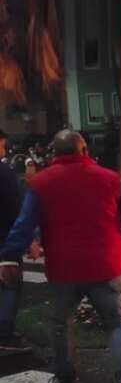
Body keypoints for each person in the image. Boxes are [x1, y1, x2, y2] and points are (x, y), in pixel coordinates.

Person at [0, 130, 121, 383]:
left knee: (60, 323)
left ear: (55, 153)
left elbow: (23, 224)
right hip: (106, 264)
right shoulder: (110, 179)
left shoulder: (42, 183)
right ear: (84, 150)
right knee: (116, 321)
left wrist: (9, 256)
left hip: (63, 267)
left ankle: (66, 377)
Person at [0, 129, 31, 352]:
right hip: (4, 239)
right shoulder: (4, 173)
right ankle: (5, 333)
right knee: (10, 285)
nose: (4, 150)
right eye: (1, 145)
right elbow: (13, 207)